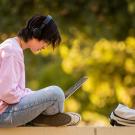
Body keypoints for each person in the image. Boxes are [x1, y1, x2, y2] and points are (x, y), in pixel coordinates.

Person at [0, 15, 81, 127]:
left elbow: (13, 91)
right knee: (56, 94)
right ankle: (40, 119)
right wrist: (33, 98)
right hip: (4, 114)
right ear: (36, 33)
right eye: (46, 41)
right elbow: (7, 93)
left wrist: (33, 96)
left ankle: (38, 118)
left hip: (7, 110)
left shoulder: (13, 47)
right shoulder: (12, 51)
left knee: (55, 97)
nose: (45, 47)